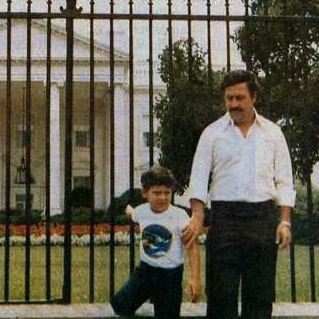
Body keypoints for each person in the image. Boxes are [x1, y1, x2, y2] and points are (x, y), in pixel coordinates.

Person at [181, 70, 295, 319]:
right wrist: (198, 214)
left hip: (262, 219)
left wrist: (284, 221)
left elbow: (285, 180)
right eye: (228, 98)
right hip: (224, 221)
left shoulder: (273, 133)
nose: (233, 104)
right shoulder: (212, 133)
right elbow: (199, 178)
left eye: (239, 98)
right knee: (221, 296)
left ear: (253, 96)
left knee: (260, 297)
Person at [111, 165, 202, 319]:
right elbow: (133, 213)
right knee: (120, 306)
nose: (162, 197)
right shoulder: (142, 211)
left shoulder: (179, 216)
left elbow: (191, 248)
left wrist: (195, 279)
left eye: (167, 193)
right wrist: (127, 209)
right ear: (144, 193)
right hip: (145, 272)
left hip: (170, 277)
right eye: (157, 193)